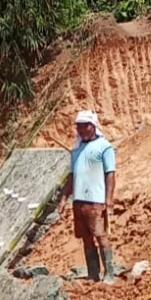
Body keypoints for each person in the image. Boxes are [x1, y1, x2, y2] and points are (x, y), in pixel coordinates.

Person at [57, 109, 117, 283]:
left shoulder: (104, 146)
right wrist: (63, 198)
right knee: (86, 237)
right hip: (79, 201)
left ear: (94, 126)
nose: (82, 130)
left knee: (101, 235)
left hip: (96, 200)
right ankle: (93, 273)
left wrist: (109, 199)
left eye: (85, 126)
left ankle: (109, 273)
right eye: (79, 127)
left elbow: (110, 173)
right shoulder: (76, 150)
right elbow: (72, 176)